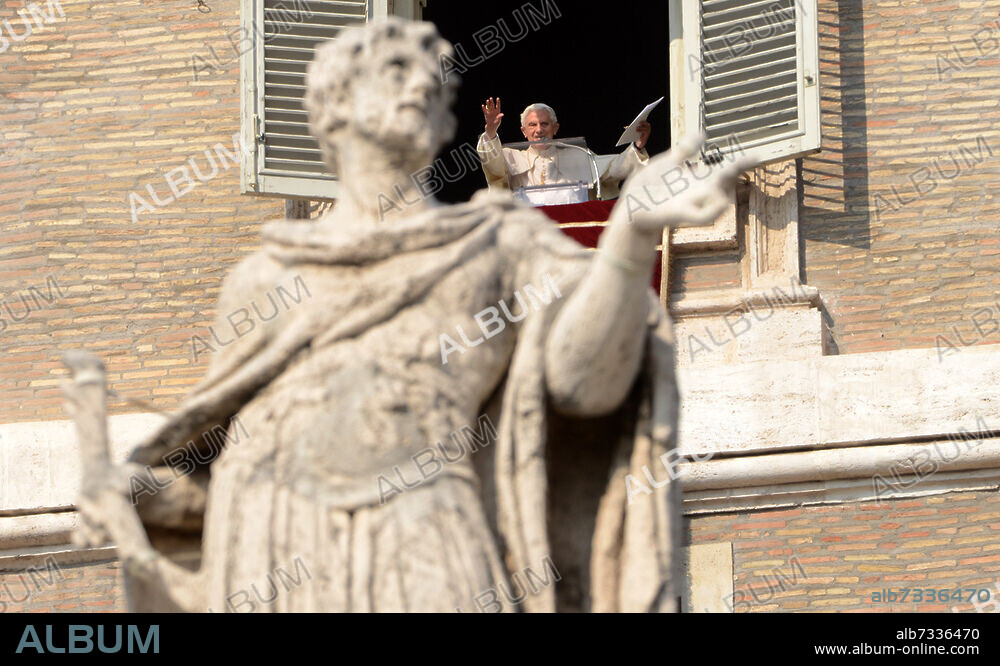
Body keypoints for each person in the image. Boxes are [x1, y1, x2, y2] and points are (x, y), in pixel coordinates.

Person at [66, 18, 750, 613]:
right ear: (333, 104)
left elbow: (582, 386)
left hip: (422, 533)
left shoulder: (499, 245)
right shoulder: (265, 279)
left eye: (433, 75)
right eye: (397, 69)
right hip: (267, 548)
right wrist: (137, 492)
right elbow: (212, 479)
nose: (423, 82)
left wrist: (628, 242)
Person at [476, 97, 652, 199]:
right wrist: (491, 131)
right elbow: (493, 165)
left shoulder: (579, 154)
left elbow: (614, 169)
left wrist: (637, 145)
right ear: (524, 131)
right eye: (532, 125)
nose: (539, 130)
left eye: (545, 124)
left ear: (555, 128)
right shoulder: (511, 157)